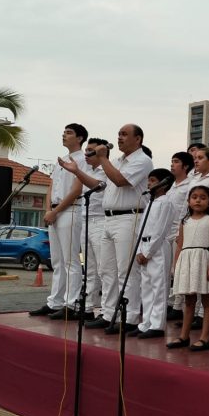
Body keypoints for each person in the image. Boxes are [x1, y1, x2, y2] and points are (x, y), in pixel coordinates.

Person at [85, 124, 154, 333]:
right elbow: (99, 184)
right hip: (109, 218)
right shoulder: (116, 161)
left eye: (125, 134)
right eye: (119, 134)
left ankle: (129, 317)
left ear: (138, 139)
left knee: (127, 271)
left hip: (129, 218)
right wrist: (77, 171)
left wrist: (103, 158)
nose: (120, 138)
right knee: (106, 270)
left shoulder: (143, 160)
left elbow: (120, 180)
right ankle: (108, 314)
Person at [30, 123, 89, 320]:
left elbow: (76, 190)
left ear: (80, 138)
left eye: (69, 132)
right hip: (55, 211)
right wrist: (49, 209)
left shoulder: (83, 159)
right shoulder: (61, 160)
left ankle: (71, 303)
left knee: (71, 260)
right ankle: (55, 301)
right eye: (63, 132)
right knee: (57, 260)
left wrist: (56, 212)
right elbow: (51, 186)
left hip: (71, 210)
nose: (64, 135)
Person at [54, 136, 109, 318]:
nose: (86, 155)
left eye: (91, 152)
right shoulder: (85, 169)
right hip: (86, 219)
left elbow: (96, 186)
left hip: (101, 221)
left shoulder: (106, 170)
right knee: (90, 268)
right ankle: (88, 308)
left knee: (104, 269)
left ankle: (106, 311)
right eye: (86, 151)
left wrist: (77, 172)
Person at [167, 185, 209, 351]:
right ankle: (184, 335)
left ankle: (205, 338)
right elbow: (180, 245)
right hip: (187, 260)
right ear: (189, 201)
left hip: (204, 260)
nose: (198, 200)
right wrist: (176, 266)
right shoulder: (185, 221)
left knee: (206, 300)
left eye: (203, 197)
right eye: (195, 197)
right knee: (189, 300)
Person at [132, 169, 175, 339]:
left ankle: (157, 324)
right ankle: (145, 323)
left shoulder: (165, 203)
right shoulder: (150, 203)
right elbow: (141, 229)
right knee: (146, 288)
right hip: (144, 246)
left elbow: (160, 230)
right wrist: (139, 251)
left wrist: (148, 252)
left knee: (159, 287)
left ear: (163, 183)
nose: (149, 183)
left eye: (152, 180)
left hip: (156, 249)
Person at [166, 151, 194, 321]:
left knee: (178, 270)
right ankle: (169, 303)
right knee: (168, 271)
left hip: (179, 231)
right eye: (172, 161)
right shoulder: (170, 185)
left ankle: (178, 305)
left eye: (176, 162)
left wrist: (182, 232)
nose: (172, 165)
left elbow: (187, 211)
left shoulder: (190, 185)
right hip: (166, 232)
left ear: (185, 166)